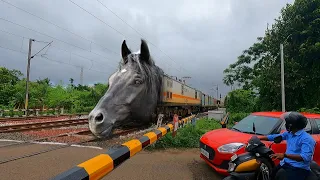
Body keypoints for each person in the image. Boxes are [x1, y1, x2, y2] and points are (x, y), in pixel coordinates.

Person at [258, 111, 316, 180]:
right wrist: (259, 138)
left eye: (288, 123)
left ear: (292, 125)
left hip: (298, 168)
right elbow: (276, 136)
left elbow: (305, 157)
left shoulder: (307, 139)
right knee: (272, 175)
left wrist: (285, 155)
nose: (286, 125)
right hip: (285, 163)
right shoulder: (290, 134)